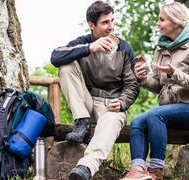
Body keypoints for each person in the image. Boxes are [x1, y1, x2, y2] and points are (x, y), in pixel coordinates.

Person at [121, 2, 189, 180]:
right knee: (138, 121)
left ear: (176, 22)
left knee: (155, 115)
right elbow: (158, 85)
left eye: (161, 19)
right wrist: (142, 78)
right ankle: (137, 171)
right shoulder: (162, 48)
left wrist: (175, 73)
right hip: (169, 110)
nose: (157, 23)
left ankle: (156, 171)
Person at [50, 1, 139, 179]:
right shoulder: (83, 42)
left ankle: (85, 168)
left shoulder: (124, 47)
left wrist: (122, 102)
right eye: (105, 22)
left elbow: (132, 84)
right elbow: (55, 56)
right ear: (91, 25)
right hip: (86, 103)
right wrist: (89, 48)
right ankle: (81, 122)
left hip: (110, 105)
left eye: (112, 21)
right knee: (65, 67)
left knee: (112, 121)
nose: (111, 27)